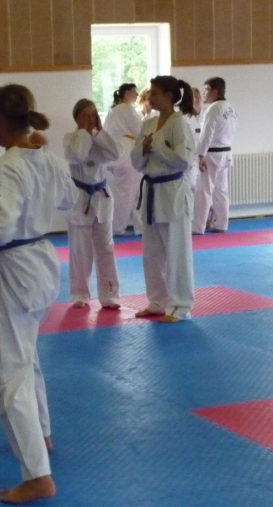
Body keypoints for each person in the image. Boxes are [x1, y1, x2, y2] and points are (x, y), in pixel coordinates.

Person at [0, 84, 75, 504]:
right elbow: (69, 198)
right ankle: (41, 433)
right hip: (41, 261)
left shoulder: (5, 167)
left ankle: (37, 475)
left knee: (8, 373)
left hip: (12, 267)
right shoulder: (47, 158)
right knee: (27, 357)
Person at [131, 75, 197, 323]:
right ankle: (157, 301)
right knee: (152, 253)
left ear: (169, 96)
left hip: (173, 191)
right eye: (150, 93)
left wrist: (157, 147)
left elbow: (184, 161)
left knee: (176, 252)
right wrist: (144, 149)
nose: (150, 97)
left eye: (155, 93)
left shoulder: (179, 124)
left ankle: (180, 306)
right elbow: (135, 161)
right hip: (151, 190)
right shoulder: (148, 123)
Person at [64, 98, 122, 309]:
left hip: (102, 196)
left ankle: (110, 295)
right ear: (77, 117)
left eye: (93, 114)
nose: (90, 118)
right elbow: (78, 155)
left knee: (106, 248)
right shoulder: (70, 139)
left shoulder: (101, 139)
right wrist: (84, 132)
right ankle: (80, 294)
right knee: (80, 250)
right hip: (80, 198)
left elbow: (116, 154)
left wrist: (98, 133)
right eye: (85, 115)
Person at [193, 77, 237, 234]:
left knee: (204, 191)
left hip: (212, 154)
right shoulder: (230, 108)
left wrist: (200, 155)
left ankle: (198, 226)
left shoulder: (213, 108)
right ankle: (222, 224)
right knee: (221, 191)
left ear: (215, 92)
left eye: (206, 90)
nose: (204, 93)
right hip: (226, 153)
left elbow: (207, 134)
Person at [102, 83, 144, 236]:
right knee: (127, 194)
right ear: (126, 93)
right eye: (134, 91)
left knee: (130, 192)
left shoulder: (112, 111)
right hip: (127, 154)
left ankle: (139, 226)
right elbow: (140, 130)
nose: (137, 95)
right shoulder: (127, 109)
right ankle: (117, 227)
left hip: (117, 153)